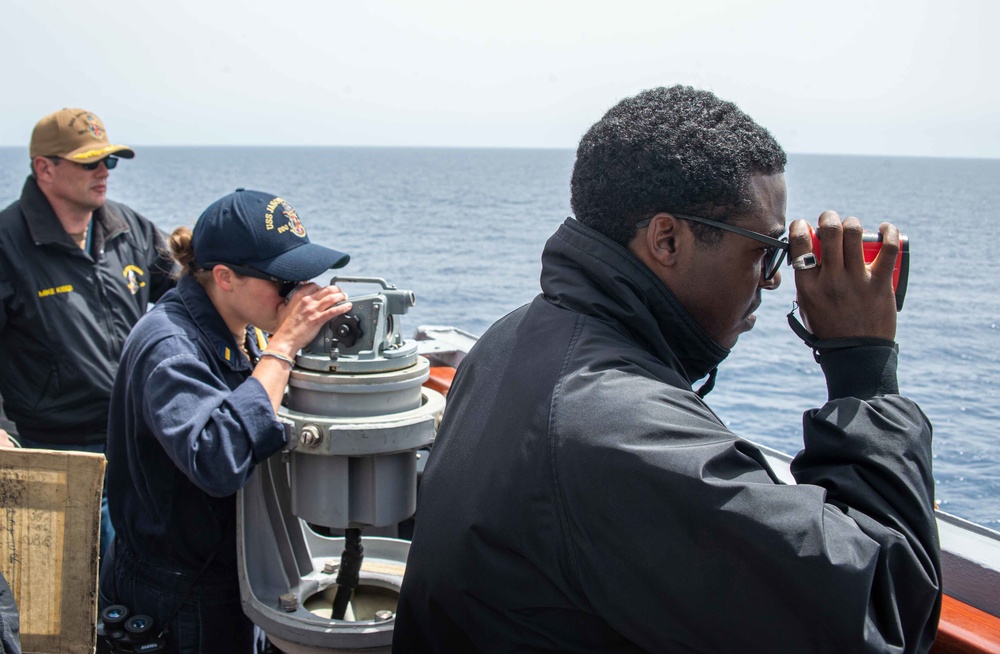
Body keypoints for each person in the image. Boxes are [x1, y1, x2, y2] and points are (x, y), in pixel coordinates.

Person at [393, 86, 941, 653]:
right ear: (667, 239)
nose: (774, 278)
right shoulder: (618, 431)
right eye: (763, 248)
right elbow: (883, 615)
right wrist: (862, 369)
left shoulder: (514, 338)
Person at [98, 189, 353, 653]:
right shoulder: (169, 347)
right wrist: (285, 347)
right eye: (283, 281)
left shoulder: (240, 329)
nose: (295, 294)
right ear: (224, 277)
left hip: (230, 571)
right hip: (179, 593)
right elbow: (217, 459)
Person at [0, 108, 177, 560]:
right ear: (45, 167)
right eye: (89, 162)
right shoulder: (7, 244)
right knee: (85, 579)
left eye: (110, 162)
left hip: (139, 433)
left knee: (148, 559)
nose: (103, 172)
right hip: (59, 446)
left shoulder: (129, 228)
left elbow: (190, 292)